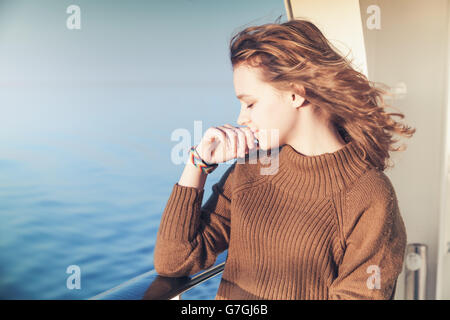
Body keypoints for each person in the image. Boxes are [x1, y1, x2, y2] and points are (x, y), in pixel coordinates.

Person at [153, 18, 416, 300]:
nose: (241, 118)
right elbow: (174, 261)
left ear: (296, 93)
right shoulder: (252, 168)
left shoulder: (370, 196)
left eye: (250, 103)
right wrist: (198, 164)